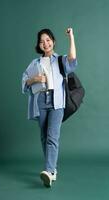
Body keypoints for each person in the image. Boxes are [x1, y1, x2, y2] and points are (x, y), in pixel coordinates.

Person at [22, 27, 77, 187]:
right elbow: (24, 82)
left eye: (48, 40)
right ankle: (52, 170)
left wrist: (71, 37)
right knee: (44, 137)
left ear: (53, 41)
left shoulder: (60, 60)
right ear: (39, 46)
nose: (45, 43)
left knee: (53, 136)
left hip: (57, 102)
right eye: (41, 41)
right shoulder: (35, 63)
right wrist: (34, 79)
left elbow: (73, 59)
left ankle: (49, 170)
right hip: (40, 102)